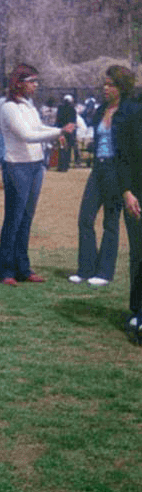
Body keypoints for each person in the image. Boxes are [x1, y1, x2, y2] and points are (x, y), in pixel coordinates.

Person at [0, 64, 75, 285]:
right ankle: (5, 270)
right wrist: (58, 132)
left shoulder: (28, 106)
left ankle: (23, 267)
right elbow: (26, 135)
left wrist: (58, 131)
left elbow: (38, 129)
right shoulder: (8, 107)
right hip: (17, 166)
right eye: (32, 81)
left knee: (27, 219)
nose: (35, 85)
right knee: (14, 219)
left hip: (35, 165)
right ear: (19, 83)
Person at [68, 67, 135, 288]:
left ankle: (104, 272)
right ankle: (85, 269)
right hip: (98, 168)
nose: (105, 88)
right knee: (85, 218)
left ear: (121, 88)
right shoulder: (99, 110)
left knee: (110, 222)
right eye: (104, 84)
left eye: (111, 85)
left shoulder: (130, 111)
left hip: (117, 171)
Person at [115, 74, 142, 341]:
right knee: (138, 254)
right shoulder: (134, 111)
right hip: (137, 193)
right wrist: (127, 192)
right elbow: (122, 156)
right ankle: (137, 310)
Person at [56, 95, 79, 171]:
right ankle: (66, 165)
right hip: (69, 131)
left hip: (62, 130)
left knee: (62, 147)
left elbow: (58, 120)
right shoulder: (72, 109)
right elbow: (74, 121)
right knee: (68, 148)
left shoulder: (60, 109)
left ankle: (61, 166)